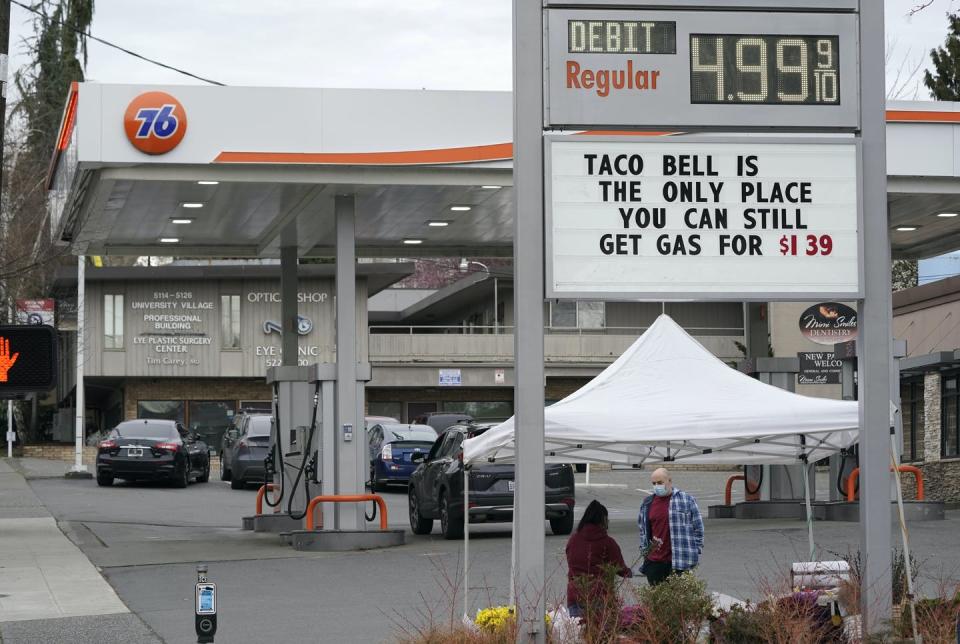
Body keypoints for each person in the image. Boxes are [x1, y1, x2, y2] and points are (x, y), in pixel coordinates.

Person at [565, 500, 632, 619]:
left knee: (578, 634)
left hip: (575, 595)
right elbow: (620, 568)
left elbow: (570, 560)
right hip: (599, 596)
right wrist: (629, 572)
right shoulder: (607, 543)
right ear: (603, 520)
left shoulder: (573, 539)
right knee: (599, 634)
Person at [637, 467, 704, 586]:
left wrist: (695, 550)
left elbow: (698, 527)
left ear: (669, 481)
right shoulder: (647, 503)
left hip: (681, 561)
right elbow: (642, 530)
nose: (657, 486)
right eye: (654, 483)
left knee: (680, 601)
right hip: (655, 563)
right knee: (657, 602)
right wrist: (645, 552)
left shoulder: (686, 500)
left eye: (660, 482)